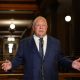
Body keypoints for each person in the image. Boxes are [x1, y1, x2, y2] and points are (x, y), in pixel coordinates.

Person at [1, 16, 80, 80]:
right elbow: (18, 59)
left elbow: (61, 58)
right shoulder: (24, 43)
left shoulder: (55, 42)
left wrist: (71, 63)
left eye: (43, 25)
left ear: (47, 27)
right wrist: (11, 64)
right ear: (33, 28)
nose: (41, 27)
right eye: (38, 25)